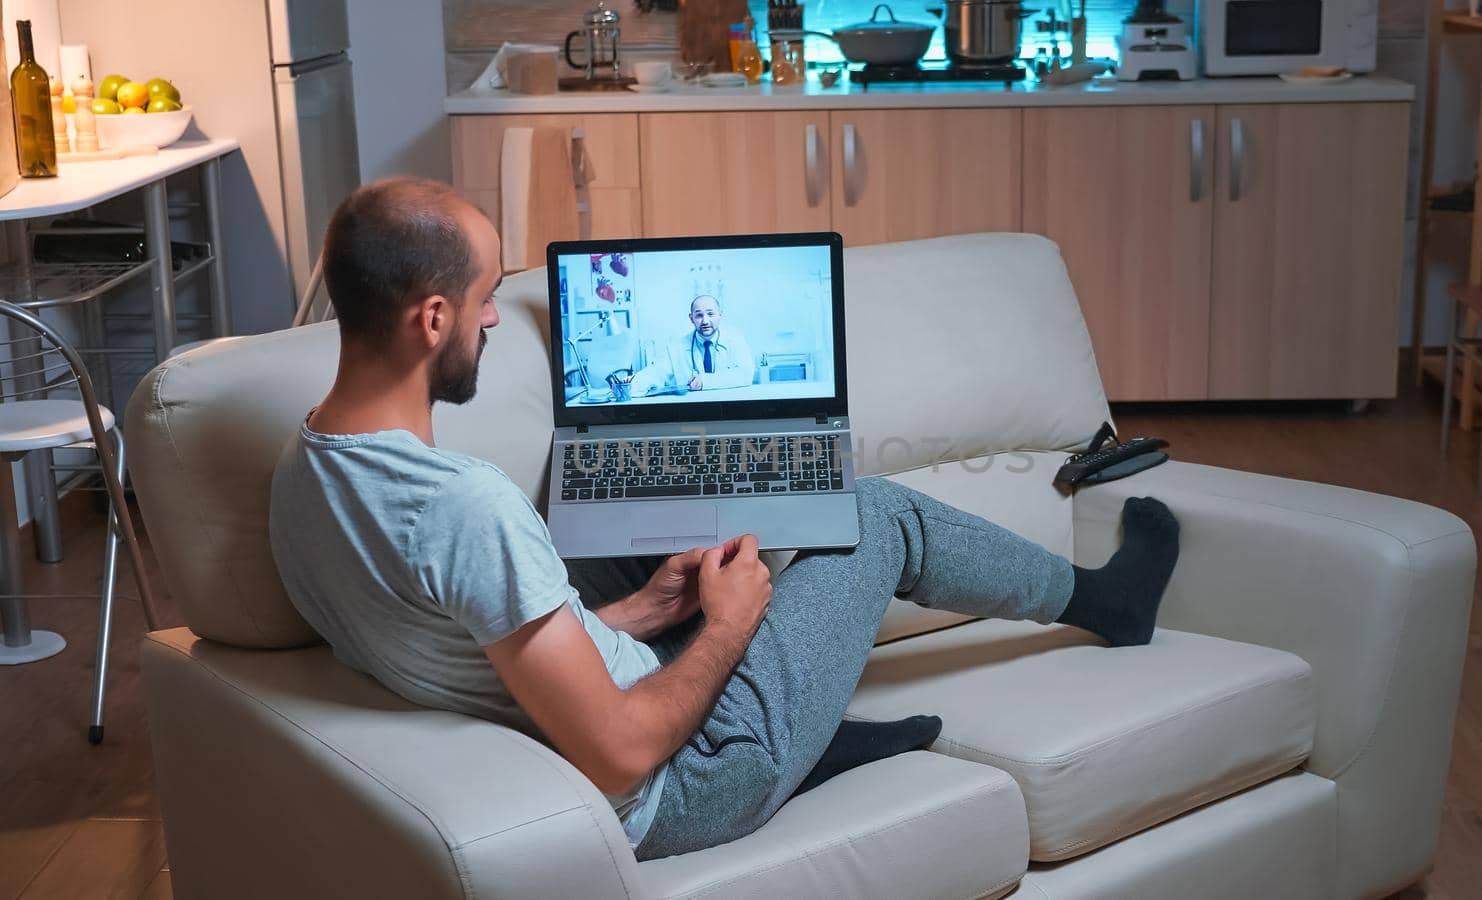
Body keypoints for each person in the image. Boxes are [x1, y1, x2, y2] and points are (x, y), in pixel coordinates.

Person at [269, 178, 1181, 861]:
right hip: (686, 779)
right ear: (432, 319)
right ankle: (1108, 603)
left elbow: (468, 652)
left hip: (568, 706)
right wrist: (730, 626)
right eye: (482, 304)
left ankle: (808, 730)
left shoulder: (302, 471)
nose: (493, 325)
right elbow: (624, 755)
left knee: (666, 565)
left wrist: (637, 618)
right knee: (872, 512)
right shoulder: (466, 505)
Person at [626, 294, 755, 393]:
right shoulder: (676, 347)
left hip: (727, 409)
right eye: (699, 315)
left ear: (720, 315)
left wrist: (705, 381)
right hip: (692, 412)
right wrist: (631, 383)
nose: (705, 321)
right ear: (691, 318)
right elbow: (657, 373)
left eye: (710, 314)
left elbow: (746, 375)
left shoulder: (736, 341)